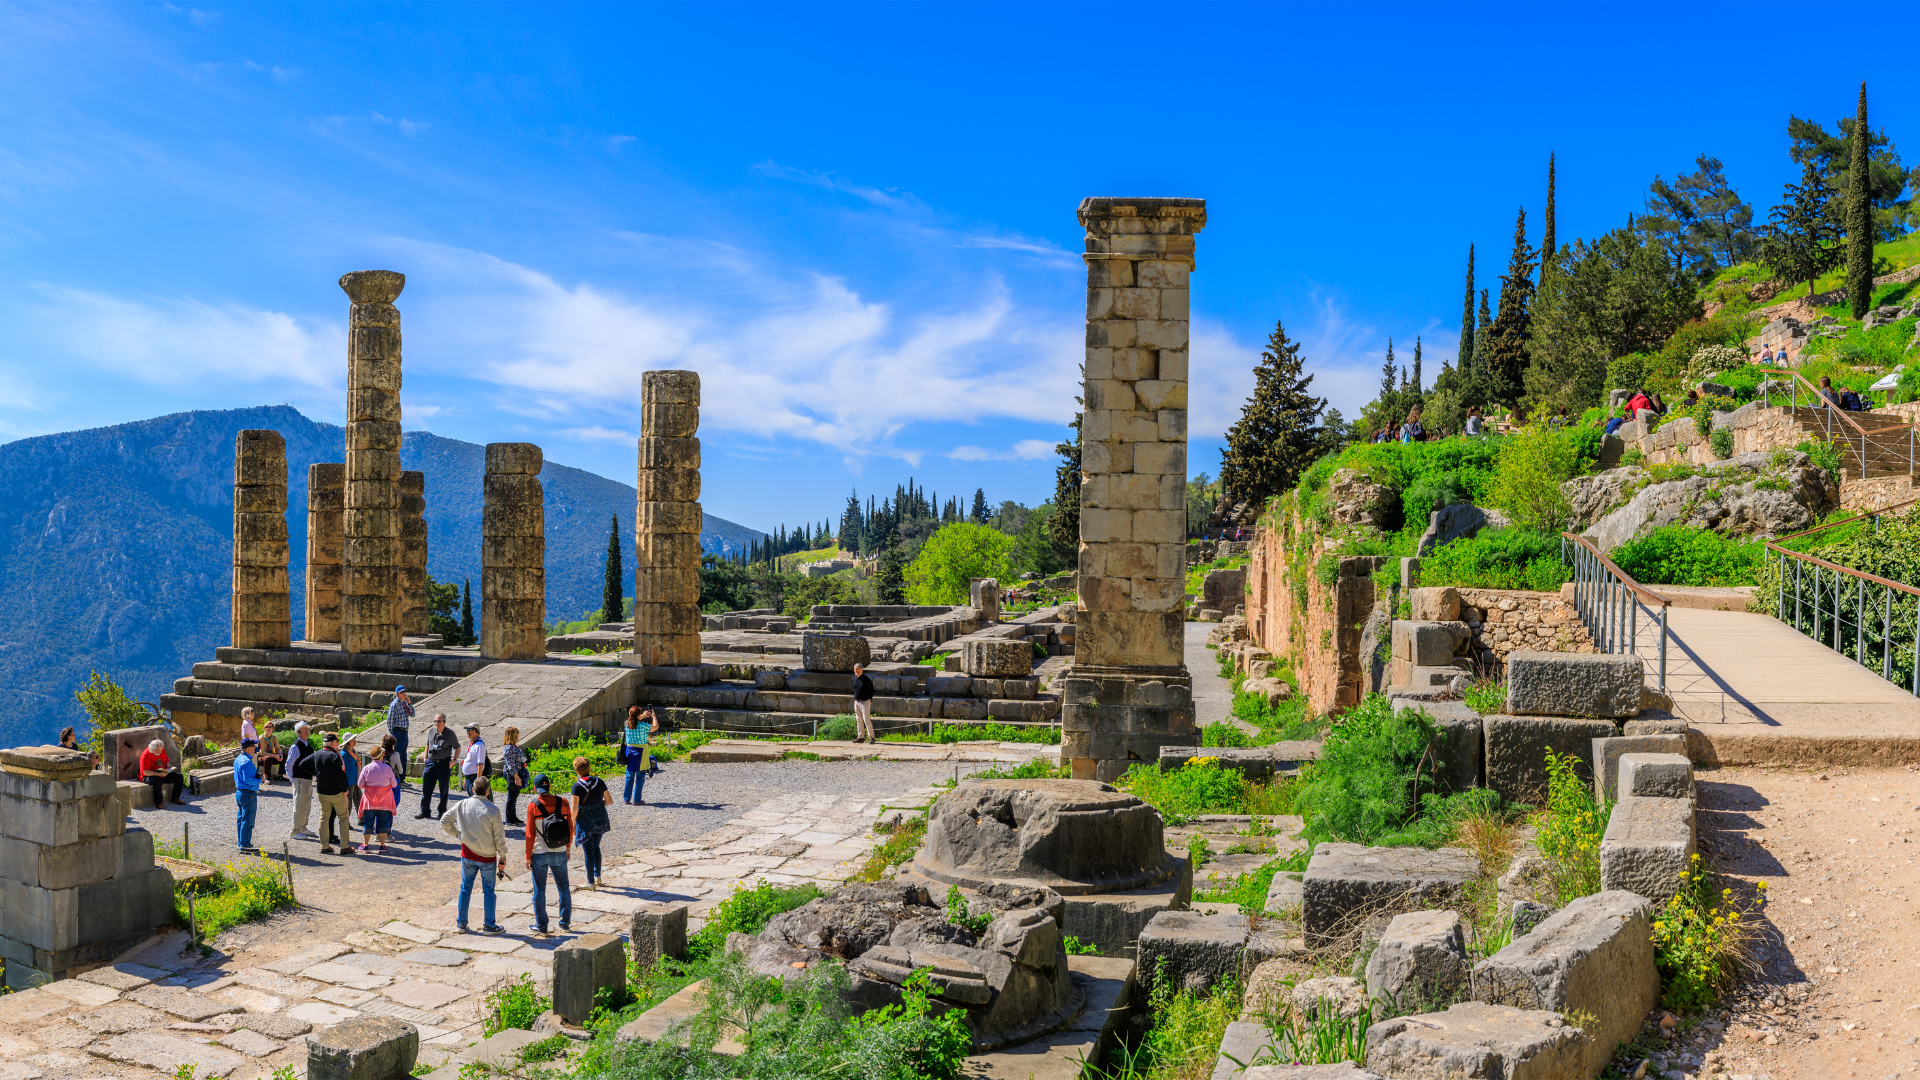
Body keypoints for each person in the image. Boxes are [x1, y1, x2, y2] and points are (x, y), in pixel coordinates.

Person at [442, 775, 507, 934]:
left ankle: (461, 924)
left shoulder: (462, 804)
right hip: (487, 857)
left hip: (468, 854)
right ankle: (489, 925)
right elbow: (499, 836)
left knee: (465, 889)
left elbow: (444, 821)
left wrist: (458, 834)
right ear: (488, 791)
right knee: (489, 892)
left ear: (472, 789)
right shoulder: (493, 810)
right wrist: (503, 856)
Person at [523, 772, 574, 935]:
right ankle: (565, 924)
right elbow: (570, 828)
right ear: (550, 786)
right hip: (559, 850)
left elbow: (530, 834)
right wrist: (568, 848)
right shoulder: (563, 802)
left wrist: (528, 856)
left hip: (539, 852)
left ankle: (542, 925)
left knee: (539, 890)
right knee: (564, 888)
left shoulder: (533, 806)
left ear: (535, 789)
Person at [571, 756, 612, 890]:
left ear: (576, 771)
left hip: (586, 822)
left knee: (588, 852)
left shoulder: (577, 786)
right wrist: (598, 806)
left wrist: (572, 821)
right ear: (589, 768)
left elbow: (574, 810)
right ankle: (598, 877)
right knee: (596, 847)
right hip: (600, 819)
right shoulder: (599, 781)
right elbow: (609, 801)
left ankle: (590, 883)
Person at [356, 739, 399, 854]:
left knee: (368, 821)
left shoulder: (366, 768)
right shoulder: (387, 768)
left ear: (372, 756)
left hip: (370, 800)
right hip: (385, 801)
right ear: (381, 756)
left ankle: (365, 845)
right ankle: (382, 845)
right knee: (384, 822)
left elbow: (360, 784)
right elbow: (394, 784)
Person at [313, 732, 352, 855]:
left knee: (324, 818)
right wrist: (344, 789)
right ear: (333, 743)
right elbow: (338, 776)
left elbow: (303, 764)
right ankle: (344, 846)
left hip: (322, 792)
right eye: (337, 742)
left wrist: (318, 773)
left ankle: (324, 846)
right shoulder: (334, 756)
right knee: (343, 818)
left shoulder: (317, 754)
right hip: (336, 793)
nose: (338, 744)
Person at [418, 714, 457, 819]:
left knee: (443, 789)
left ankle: (442, 811)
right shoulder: (431, 731)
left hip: (443, 763)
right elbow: (427, 744)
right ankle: (425, 811)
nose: (436, 723)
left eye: (439, 721)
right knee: (426, 788)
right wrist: (425, 758)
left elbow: (457, 747)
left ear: (444, 721)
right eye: (435, 721)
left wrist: (454, 760)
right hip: (430, 763)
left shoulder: (450, 734)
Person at [621, 707, 659, 805]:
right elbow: (655, 727)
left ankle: (626, 799)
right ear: (638, 715)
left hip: (630, 753)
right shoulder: (643, 726)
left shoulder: (626, 724)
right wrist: (654, 717)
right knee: (640, 777)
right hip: (641, 753)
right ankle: (637, 800)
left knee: (629, 777)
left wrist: (642, 716)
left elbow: (633, 719)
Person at [287, 722, 317, 839]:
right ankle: (295, 831)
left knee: (307, 805)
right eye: (304, 729)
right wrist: (293, 780)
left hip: (308, 779)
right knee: (299, 805)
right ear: (298, 732)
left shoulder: (307, 744)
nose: (307, 731)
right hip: (299, 779)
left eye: (307, 728)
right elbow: (288, 766)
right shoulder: (295, 746)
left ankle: (303, 828)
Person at [140, 738, 184, 809]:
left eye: (161, 750)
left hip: (162, 773)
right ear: (152, 749)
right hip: (148, 776)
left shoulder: (161, 750)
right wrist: (159, 774)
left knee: (179, 776)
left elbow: (166, 760)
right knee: (157, 781)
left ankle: (175, 798)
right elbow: (145, 772)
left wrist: (168, 765)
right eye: (157, 751)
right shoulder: (146, 755)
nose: (160, 752)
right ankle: (159, 802)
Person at [234, 738, 261, 853]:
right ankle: (245, 845)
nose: (255, 748)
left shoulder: (238, 758)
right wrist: (260, 780)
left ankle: (241, 842)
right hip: (248, 793)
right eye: (253, 746)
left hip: (240, 792)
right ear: (248, 748)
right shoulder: (247, 762)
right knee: (248, 820)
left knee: (241, 818)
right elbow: (248, 780)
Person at [386, 686, 414, 787]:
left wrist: (409, 703)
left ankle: (402, 779)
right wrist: (392, 734)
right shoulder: (394, 704)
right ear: (397, 694)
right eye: (402, 692)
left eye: (405, 691)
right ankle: (396, 780)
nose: (404, 694)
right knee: (396, 757)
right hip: (398, 732)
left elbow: (412, 714)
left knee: (403, 756)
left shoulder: (405, 703)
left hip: (405, 732)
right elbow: (389, 721)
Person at [502, 727, 530, 826]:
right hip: (513, 774)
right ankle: (509, 819)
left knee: (514, 795)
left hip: (516, 773)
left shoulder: (513, 746)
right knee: (512, 796)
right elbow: (510, 765)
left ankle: (513, 817)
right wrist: (516, 777)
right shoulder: (509, 748)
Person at [850, 663, 876, 744]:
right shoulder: (853, 679)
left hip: (865, 702)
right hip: (857, 702)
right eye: (855, 669)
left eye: (857, 669)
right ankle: (860, 737)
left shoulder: (866, 680)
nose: (856, 671)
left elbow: (871, 690)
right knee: (859, 720)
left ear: (862, 669)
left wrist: (869, 699)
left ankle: (871, 737)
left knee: (866, 720)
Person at [460, 725, 488, 797]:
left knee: (476, 799)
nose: (468, 731)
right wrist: (465, 778)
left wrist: (477, 782)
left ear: (477, 731)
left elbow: (480, 764)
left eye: (470, 729)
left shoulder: (479, 745)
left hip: (474, 778)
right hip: (469, 778)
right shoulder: (472, 744)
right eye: (467, 729)